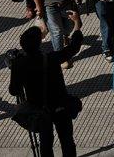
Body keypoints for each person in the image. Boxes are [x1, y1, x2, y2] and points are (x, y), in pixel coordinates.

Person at [8, 10, 84, 157]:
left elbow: (13, 90)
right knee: (67, 140)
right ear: (39, 43)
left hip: (39, 110)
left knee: (45, 143)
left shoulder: (19, 64)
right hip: (60, 105)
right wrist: (76, 24)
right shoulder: (51, 58)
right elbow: (73, 48)